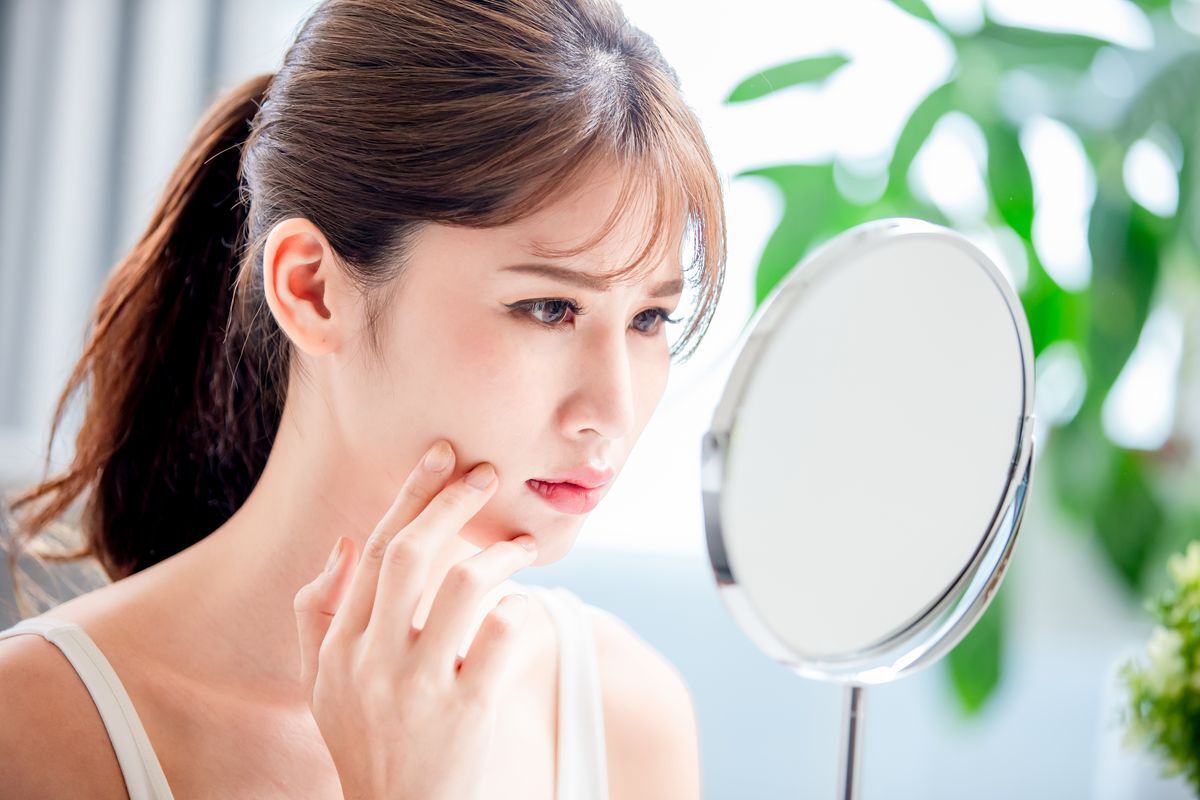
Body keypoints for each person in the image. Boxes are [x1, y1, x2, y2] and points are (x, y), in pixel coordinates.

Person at [0, 0, 726, 796]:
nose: (612, 412)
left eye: (650, 318)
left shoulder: (624, 714)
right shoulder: (34, 729)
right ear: (311, 290)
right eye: (548, 308)